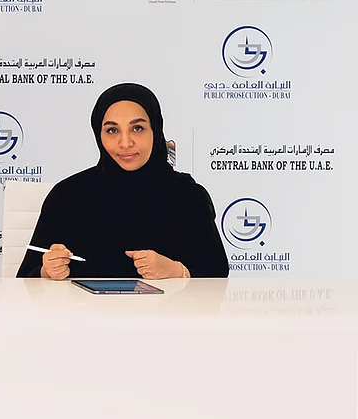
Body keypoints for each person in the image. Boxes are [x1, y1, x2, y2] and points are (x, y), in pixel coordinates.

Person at [17, 83, 229, 280]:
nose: (125, 143)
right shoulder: (67, 195)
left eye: (137, 128)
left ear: (155, 130)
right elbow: (25, 278)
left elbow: (216, 274)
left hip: (167, 310)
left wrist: (175, 271)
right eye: (112, 130)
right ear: (99, 135)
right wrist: (47, 270)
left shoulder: (187, 195)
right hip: (83, 310)